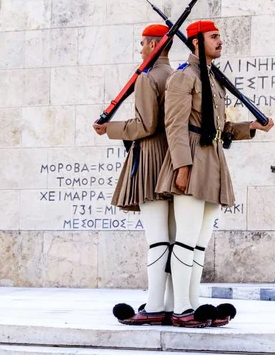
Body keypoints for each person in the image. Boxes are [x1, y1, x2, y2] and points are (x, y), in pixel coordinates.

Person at [155, 20, 274, 328]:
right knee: (185, 238)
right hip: (192, 161)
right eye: (213, 37)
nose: (220, 41)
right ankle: (179, 308)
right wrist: (182, 166)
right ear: (196, 42)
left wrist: (250, 127)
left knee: (199, 242)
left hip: (213, 162)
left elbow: (219, 126)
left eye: (220, 36)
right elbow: (175, 125)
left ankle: (193, 302)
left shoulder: (214, 78)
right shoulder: (183, 77)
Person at [93, 24, 176, 326]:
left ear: (154, 45)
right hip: (173, 159)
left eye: (143, 44)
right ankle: (170, 304)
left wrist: (110, 129)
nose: (140, 49)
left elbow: (145, 125)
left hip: (151, 159)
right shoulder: (176, 74)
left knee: (157, 239)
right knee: (173, 238)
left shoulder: (147, 78)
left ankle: (153, 306)